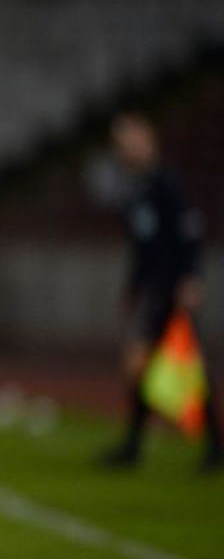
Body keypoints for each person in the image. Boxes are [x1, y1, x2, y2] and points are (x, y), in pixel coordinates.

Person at [101, 112, 222, 471]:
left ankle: (141, 445)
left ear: (148, 142)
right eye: (120, 144)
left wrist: (190, 279)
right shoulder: (136, 189)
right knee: (154, 366)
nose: (126, 150)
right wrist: (133, 289)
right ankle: (139, 444)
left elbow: (190, 233)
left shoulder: (165, 184)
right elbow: (143, 248)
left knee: (155, 365)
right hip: (155, 290)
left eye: (131, 142)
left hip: (173, 290)